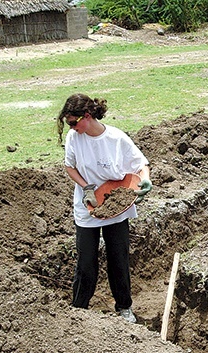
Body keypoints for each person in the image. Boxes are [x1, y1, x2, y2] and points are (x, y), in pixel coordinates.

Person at [57, 93, 153, 324]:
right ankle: (79, 309)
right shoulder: (74, 137)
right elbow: (69, 167)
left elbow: (141, 164)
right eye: (68, 123)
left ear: (87, 116)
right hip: (89, 206)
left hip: (116, 205)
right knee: (86, 262)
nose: (71, 128)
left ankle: (124, 307)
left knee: (118, 258)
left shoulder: (116, 139)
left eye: (73, 122)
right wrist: (85, 187)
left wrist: (145, 180)